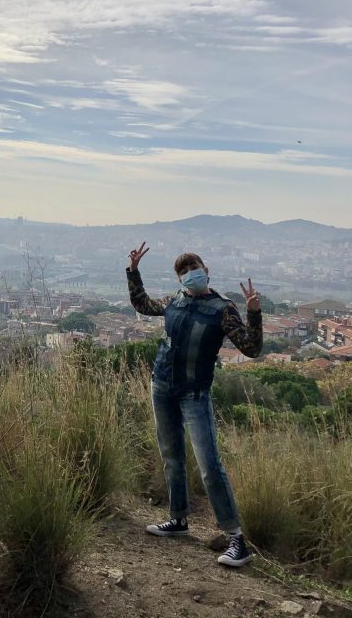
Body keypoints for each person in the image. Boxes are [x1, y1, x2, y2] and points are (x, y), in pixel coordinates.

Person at [126, 242, 262, 567]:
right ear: (179, 279)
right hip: (162, 387)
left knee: (209, 466)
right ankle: (178, 519)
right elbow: (142, 304)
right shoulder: (173, 301)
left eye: (193, 268)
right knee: (172, 457)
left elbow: (252, 348)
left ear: (206, 270)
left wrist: (254, 312)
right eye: (183, 271)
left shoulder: (222, 309)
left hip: (194, 394)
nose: (190, 274)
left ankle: (236, 539)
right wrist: (133, 272)